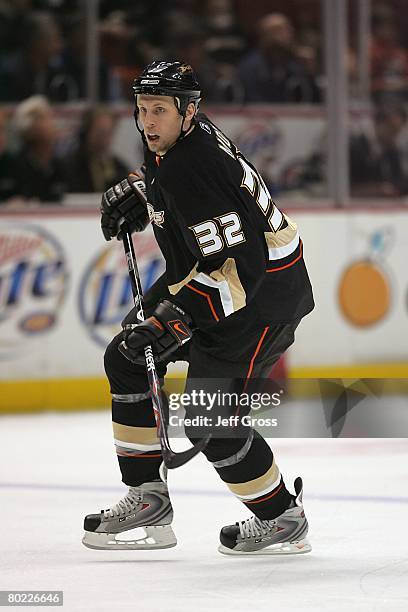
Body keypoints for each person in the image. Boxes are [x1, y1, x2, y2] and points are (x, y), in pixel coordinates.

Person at [82, 61, 314, 555]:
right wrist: (141, 189)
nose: (148, 122)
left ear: (188, 112)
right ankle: (148, 497)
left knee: (211, 421)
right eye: (142, 110)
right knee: (127, 359)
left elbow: (240, 266)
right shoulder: (178, 140)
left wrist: (176, 317)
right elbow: (179, 190)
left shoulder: (196, 164)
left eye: (159, 111)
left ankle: (282, 517)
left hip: (262, 299)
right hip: (212, 275)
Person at [8, 95, 67, 203]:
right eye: (46, 118)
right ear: (30, 127)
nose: (53, 123)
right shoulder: (14, 166)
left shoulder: (61, 165)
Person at [66, 107, 129, 193]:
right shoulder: (71, 166)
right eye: (100, 133)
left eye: (108, 133)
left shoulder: (119, 167)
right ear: (87, 132)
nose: (104, 139)